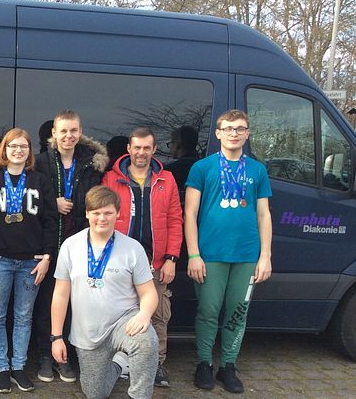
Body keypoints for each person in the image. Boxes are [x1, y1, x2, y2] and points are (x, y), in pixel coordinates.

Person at [185, 109, 272, 393]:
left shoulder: (257, 170)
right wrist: (194, 254)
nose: (234, 133)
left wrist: (265, 256)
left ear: (247, 134)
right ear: (218, 133)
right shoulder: (202, 168)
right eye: (229, 128)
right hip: (210, 255)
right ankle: (203, 364)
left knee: (238, 312)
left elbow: (263, 215)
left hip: (246, 256)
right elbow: (189, 213)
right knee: (208, 311)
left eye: (240, 128)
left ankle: (228, 366)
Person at [0, 128, 58, 393]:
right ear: (4, 150)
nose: (18, 151)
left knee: (23, 316)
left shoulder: (40, 181)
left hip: (31, 262)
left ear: (29, 151)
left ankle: (18, 366)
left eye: (23, 146)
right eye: (12, 146)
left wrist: (47, 257)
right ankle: (2, 368)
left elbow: (50, 220)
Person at [51, 186, 159, 399]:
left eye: (108, 213)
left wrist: (144, 314)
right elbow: (61, 294)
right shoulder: (70, 246)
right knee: (95, 393)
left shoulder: (132, 248)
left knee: (147, 343)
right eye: (96, 213)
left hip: (123, 322)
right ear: (87, 213)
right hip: (88, 332)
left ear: (118, 213)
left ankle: (139, 395)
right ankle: (119, 364)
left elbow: (149, 293)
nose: (102, 218)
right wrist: (57, 337)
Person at [101, 127, 182, 388]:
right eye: (137, 147)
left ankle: (155, 364)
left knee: (157, 314)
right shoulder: (111, 179)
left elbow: (174, 220)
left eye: (147, 148)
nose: (141, 153)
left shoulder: (166, 179)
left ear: (154, 149)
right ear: (129, 149)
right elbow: (102, 218)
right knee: (117, 312)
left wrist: (171, 258)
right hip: (120, 259)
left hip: (155, 260)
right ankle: (114, 362)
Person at [33, 110, 108, 383]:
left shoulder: (91, 164)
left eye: (73, 130)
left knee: (75, 303)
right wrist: (51, 202)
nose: (68, 136)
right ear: (54, 133)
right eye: (63, 131)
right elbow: (30, 198)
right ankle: (45, 355)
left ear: (80, 132)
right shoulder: (40, 163)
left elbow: (99, 200)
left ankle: (64, 358)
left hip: (80, 243)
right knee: (47, 302)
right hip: (48, 243)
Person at [165, 125, 200, 199]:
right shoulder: (206, 168)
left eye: (171, 142)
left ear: (177, 144)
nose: (170, 147)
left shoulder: (170, 171)